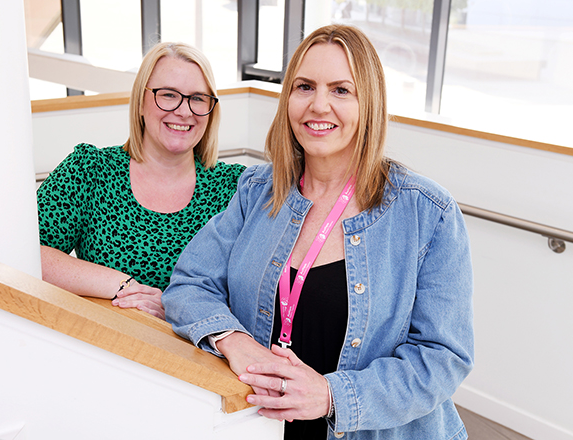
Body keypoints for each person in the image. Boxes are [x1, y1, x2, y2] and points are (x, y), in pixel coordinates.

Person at [163, 24, 473, 440]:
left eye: (341, 90)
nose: (319, 105)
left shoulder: (427, 213)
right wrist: (234, 341)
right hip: (262, 427)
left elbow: (442, 357)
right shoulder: (257, 191)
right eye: (304, 86)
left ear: (370, 104)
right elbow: (188, 283)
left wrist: (331, 395)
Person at [37, 42, 245, 320]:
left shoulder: (235, 188)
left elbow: (256, 297)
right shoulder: (90, 169)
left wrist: (177, 307)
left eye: (198, 98)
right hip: (105, 348)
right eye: (168, 95)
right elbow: (29, 252)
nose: (184, 111)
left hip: (199, 357)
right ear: (141, 102)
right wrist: (122, 287)